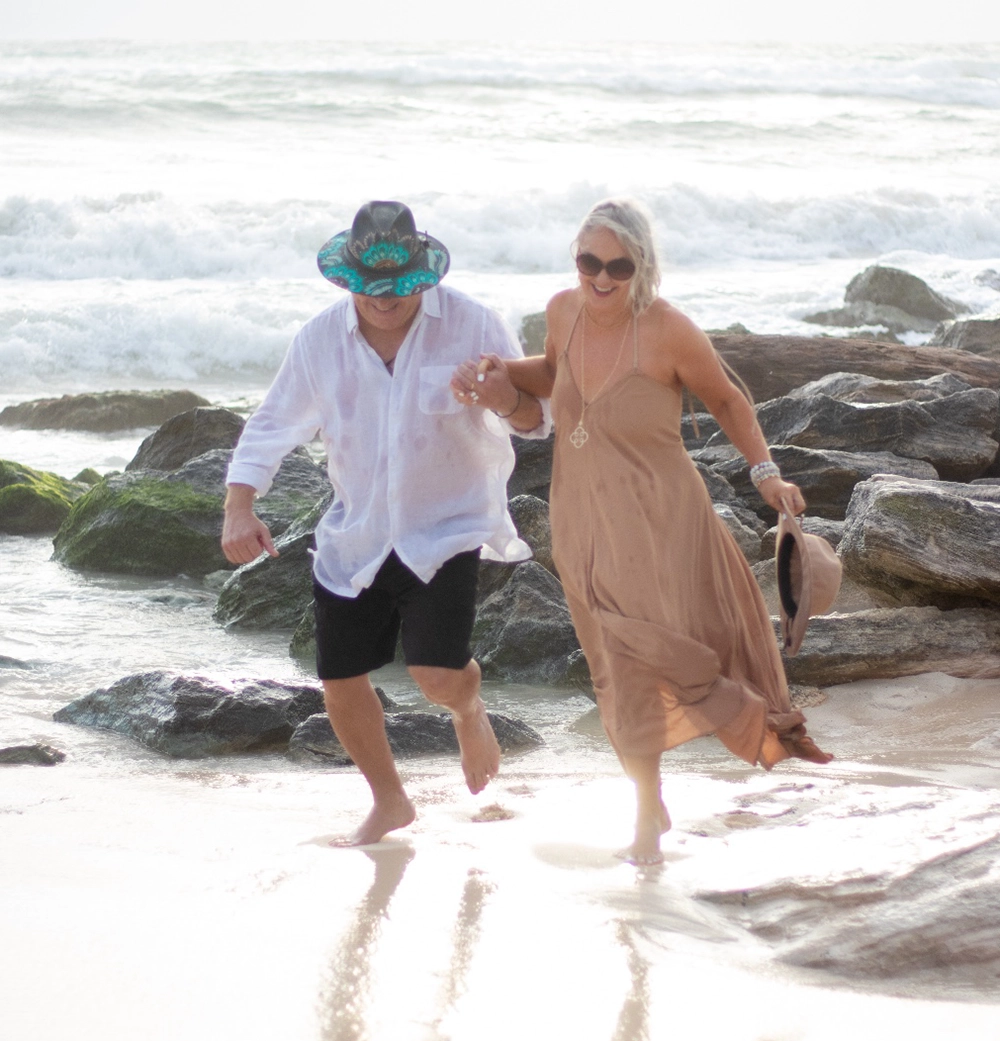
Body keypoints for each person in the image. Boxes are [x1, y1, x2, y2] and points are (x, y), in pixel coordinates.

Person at [451, 198, 831, 866]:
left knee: (652, 652)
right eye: (589, 261)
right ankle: (647, 803)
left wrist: (766, 472)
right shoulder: (563, 310)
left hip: (660, 520)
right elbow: (551, 375)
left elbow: (727, 400)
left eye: (617, 266)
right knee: (612, 665)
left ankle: (665, 795)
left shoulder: (667, 330)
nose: (601, 277)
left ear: (641, 266)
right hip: (581, 519)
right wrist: (502, 374)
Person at [222, 200, 548, 846]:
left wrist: (500, 396)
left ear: (420, 276)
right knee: (339, 682)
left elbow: (539, 420)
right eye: (368, 289)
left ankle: (468, 706)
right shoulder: (319, 340)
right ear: (348, 280)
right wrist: (240, 504)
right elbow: (273, 423)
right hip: (356, 535)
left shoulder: (472, 324)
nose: (382, 301)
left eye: (396, 289)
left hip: (445, 528)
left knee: (436, 677)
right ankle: (390, 799)